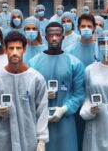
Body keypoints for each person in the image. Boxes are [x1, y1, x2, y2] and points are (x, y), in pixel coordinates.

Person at [0, 31, 49, 151]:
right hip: (3, 140)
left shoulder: (36, 79)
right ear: (5, 50)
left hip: (29, 139)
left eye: (18, 48)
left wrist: (42, 141)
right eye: (11, 48)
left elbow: (42, 111)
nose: (14, 52)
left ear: (24, 50)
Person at [29, 22, 85, 151]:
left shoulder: (74, 63)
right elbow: (28, 92)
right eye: (51, 35)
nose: (54, 38)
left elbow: (79, 94)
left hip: (66, 122)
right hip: (39, 120)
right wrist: (41, 95)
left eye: (58, 35)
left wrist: (64, 109)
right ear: (45, 37)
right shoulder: (33, 63)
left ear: (63, 37)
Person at [64, 13, 98, 151]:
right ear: (78, 28)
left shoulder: (99, 49)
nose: (86, 29)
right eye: (83, 26)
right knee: (76, 135)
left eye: (89, 26)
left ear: (94, 28)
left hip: (95, 100)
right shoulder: (69, 50)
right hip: (75, 101)